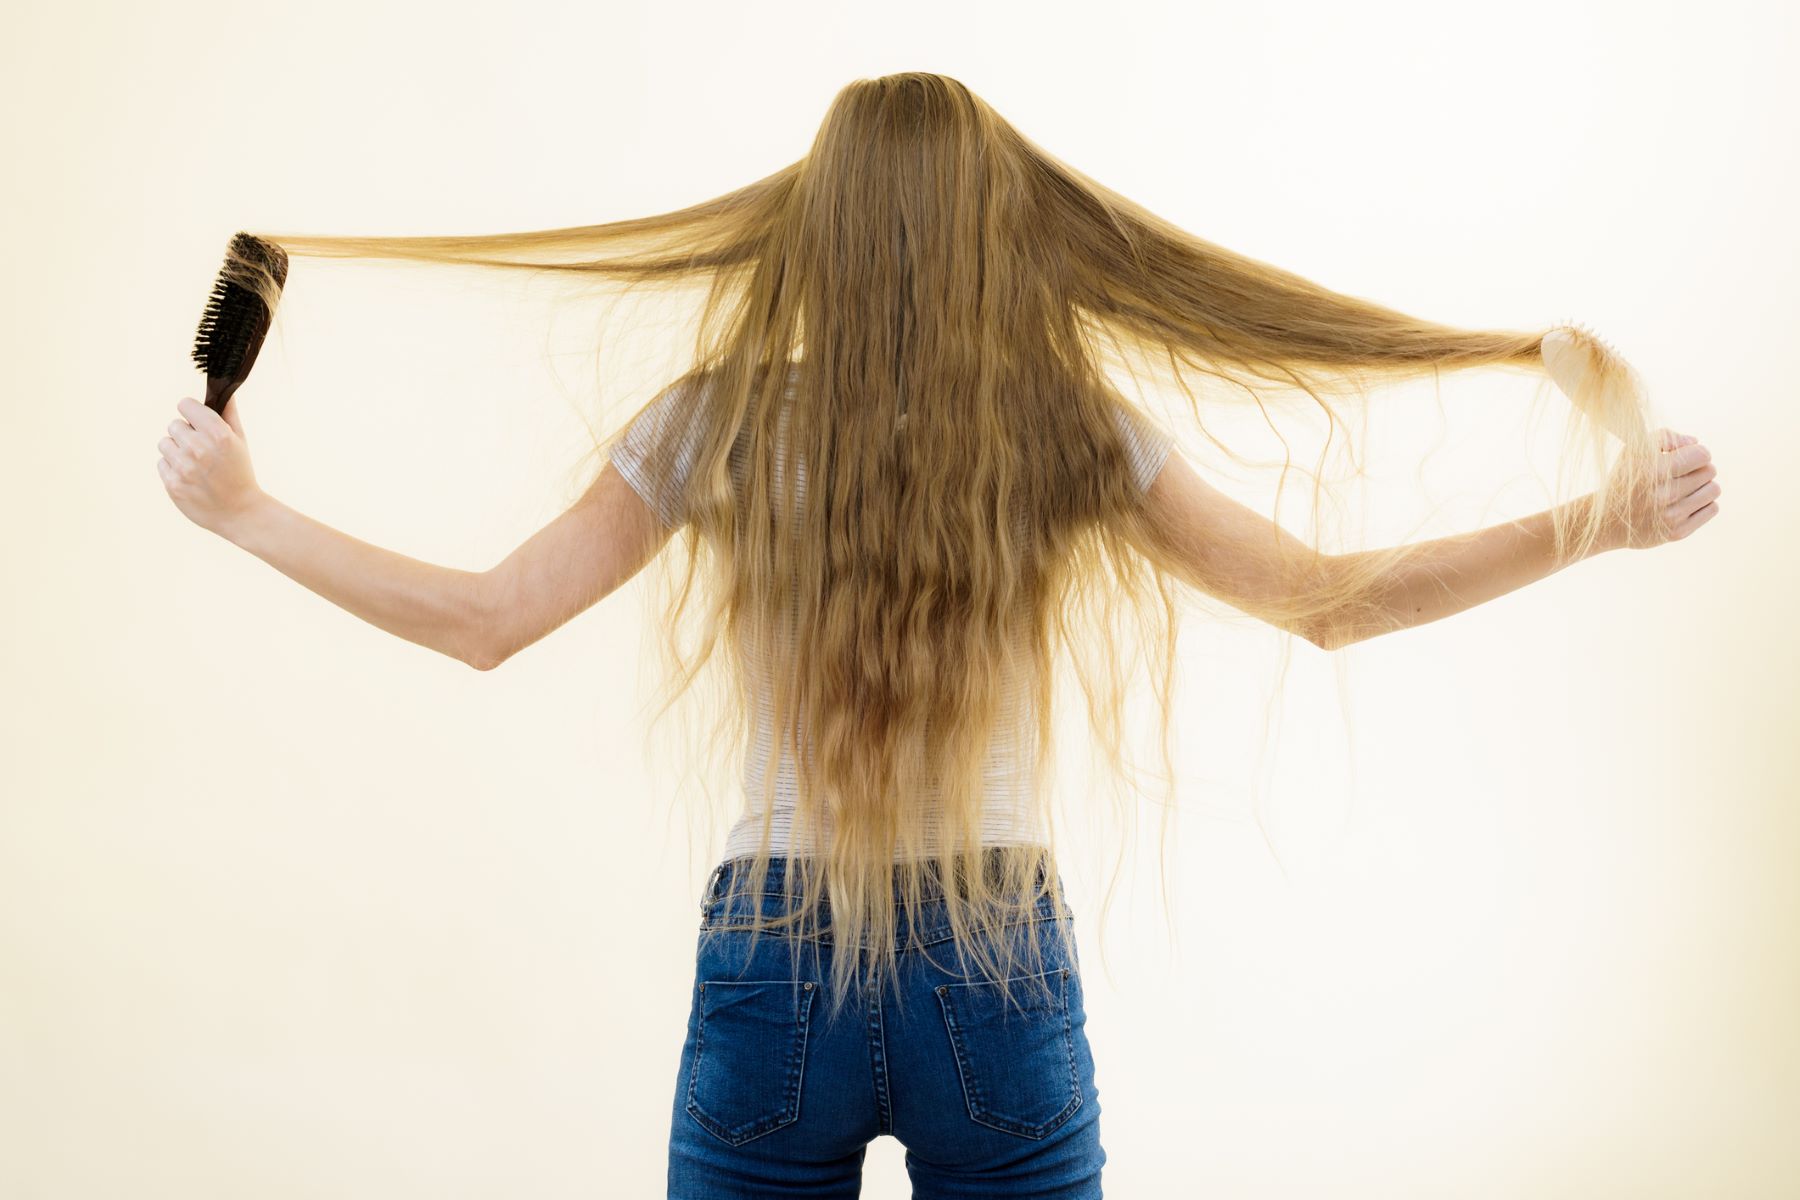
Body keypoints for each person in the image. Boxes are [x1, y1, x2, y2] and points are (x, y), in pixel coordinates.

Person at [156, 72, 1720, 1199]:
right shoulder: (1067, 432)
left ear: (810, 231)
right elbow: (1327, 601)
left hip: (773, 972)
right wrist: (1598, 524)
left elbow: (488, 621)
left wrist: (246, 512)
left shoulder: (713, 425)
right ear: (1001, 230)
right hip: (998, 965)